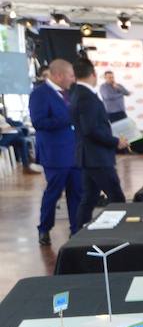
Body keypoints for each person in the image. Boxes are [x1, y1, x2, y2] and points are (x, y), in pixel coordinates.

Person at [27, 59, 83, 244]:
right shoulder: (40, 94)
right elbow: (39, 122)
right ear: (59, 75)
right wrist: (68, 118)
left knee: (77, 192)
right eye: (70, 75)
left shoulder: (70, 92)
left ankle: (76, 229)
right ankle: (44, 228)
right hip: (55, 154)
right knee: (54, 192)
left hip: (74, 152)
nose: (73, 79)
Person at [71, 58, 128, 228]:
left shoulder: (79, 93)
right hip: (96, 157)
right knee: (117, 198)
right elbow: (91, 130)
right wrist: (115, 141)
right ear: (93, 74)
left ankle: (77, 233)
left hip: (91, 156)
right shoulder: (85, 96)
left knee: (89, 198)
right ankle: (118, 234)